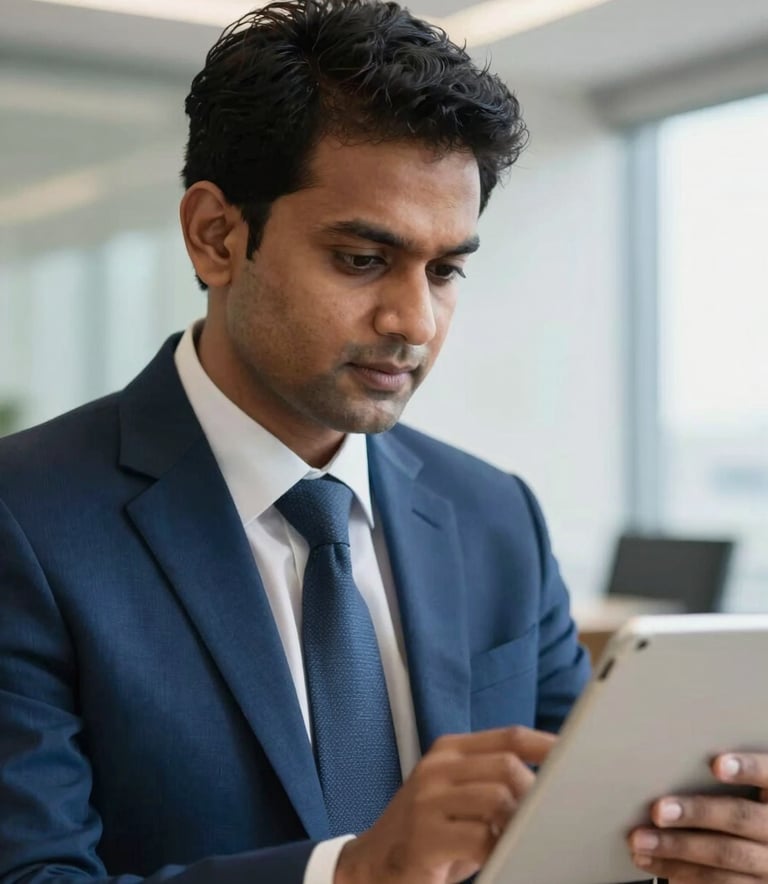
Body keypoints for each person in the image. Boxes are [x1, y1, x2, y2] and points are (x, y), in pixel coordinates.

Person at [1, 2, 767, 883]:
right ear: (216, 236)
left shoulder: (494, 516)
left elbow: (572, 845)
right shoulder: (25, 519)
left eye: (445, 271)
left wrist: (686, 852)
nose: (414, 322)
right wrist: (351, 872)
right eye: (362, 259)